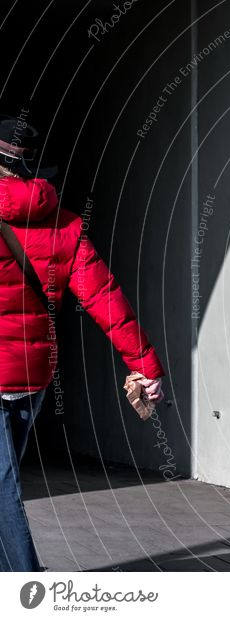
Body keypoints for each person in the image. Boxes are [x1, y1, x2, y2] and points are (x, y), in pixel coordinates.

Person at [0, 114, 165, 571]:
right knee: (4, 479)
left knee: (2, 486)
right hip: (32, 376)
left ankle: (24, 583)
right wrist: (146, 366)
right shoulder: (66, 226)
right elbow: (106, 300)